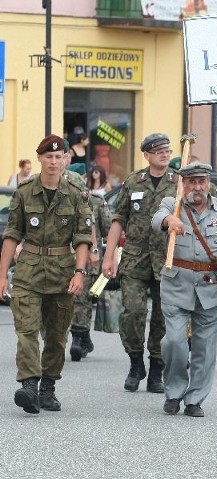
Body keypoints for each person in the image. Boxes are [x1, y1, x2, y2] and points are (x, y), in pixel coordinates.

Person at [0, 134, 92, 414]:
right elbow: (12, 234)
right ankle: (29, 385)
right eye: (48, 156)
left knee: (56, 335)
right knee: (26, 331)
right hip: (28, 269)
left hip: (62, 271)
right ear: (40, 158)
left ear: (65, 159)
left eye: (59, 156)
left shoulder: (76, 194)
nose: (54, 161)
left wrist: (79, 272)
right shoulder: (24, 191)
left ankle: (48, 388)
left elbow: (83, 237)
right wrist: (2, 274)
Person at [152, 162, 217, 417]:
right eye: (191, 182)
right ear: (183, 184)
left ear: (208, 183)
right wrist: (170, 219)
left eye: (201, 181)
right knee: (174, 342)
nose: (197, 187)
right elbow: (156, 218)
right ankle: (173, 392)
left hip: (210, 286)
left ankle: (195, 399)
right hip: (176, 284)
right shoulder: (173, 204)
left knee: (205, 347)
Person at [102, 133, 178, 393]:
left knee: (162, 318)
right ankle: (135, 362)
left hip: (167, 260)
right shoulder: (134, 181)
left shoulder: (179, 183)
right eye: (158, 151)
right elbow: (118, 219)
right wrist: (109, 255)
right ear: (147, 155)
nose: (164, 155)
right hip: (135, 259)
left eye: (167, 150)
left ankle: (156, 369)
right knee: (133, 312)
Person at [69, 191, 112, 361]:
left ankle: (78, 339)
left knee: (82, 298)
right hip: (65, 257)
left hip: (89, 259)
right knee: (74, 300)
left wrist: (106, 253)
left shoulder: (95, 200)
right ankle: (83, 337)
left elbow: (108, 227)